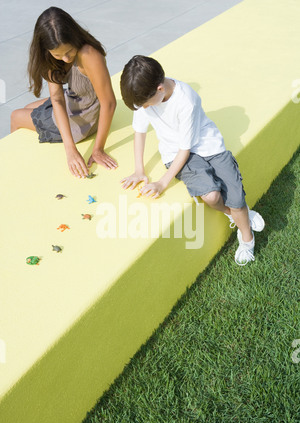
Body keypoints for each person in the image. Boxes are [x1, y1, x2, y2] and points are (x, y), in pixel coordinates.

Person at [120, 55, 265, 266]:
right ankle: (236, 215)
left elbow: (185, 148)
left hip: (207, 146)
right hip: (175, 153)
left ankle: (247, 238)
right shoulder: (144, 95)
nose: (143, 108)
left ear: (159, 89)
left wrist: (162, 182)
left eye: (145, 104)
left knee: (235, 195)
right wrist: (139, 169)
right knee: (212, 196)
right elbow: (139, 131)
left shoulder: (186, 99)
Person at [10, 7, 117, 178]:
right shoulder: (49, 57)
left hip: (85, 117)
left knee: (15, 116)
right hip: (74, 101)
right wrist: (70, 149)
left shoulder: (89, 54)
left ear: (74, 36)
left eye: (68, 52)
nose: (66, 59)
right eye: (58, 55)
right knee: (28, 107)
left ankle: (14, 171)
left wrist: (97, 149)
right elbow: (57, 99)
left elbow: (109, 103)